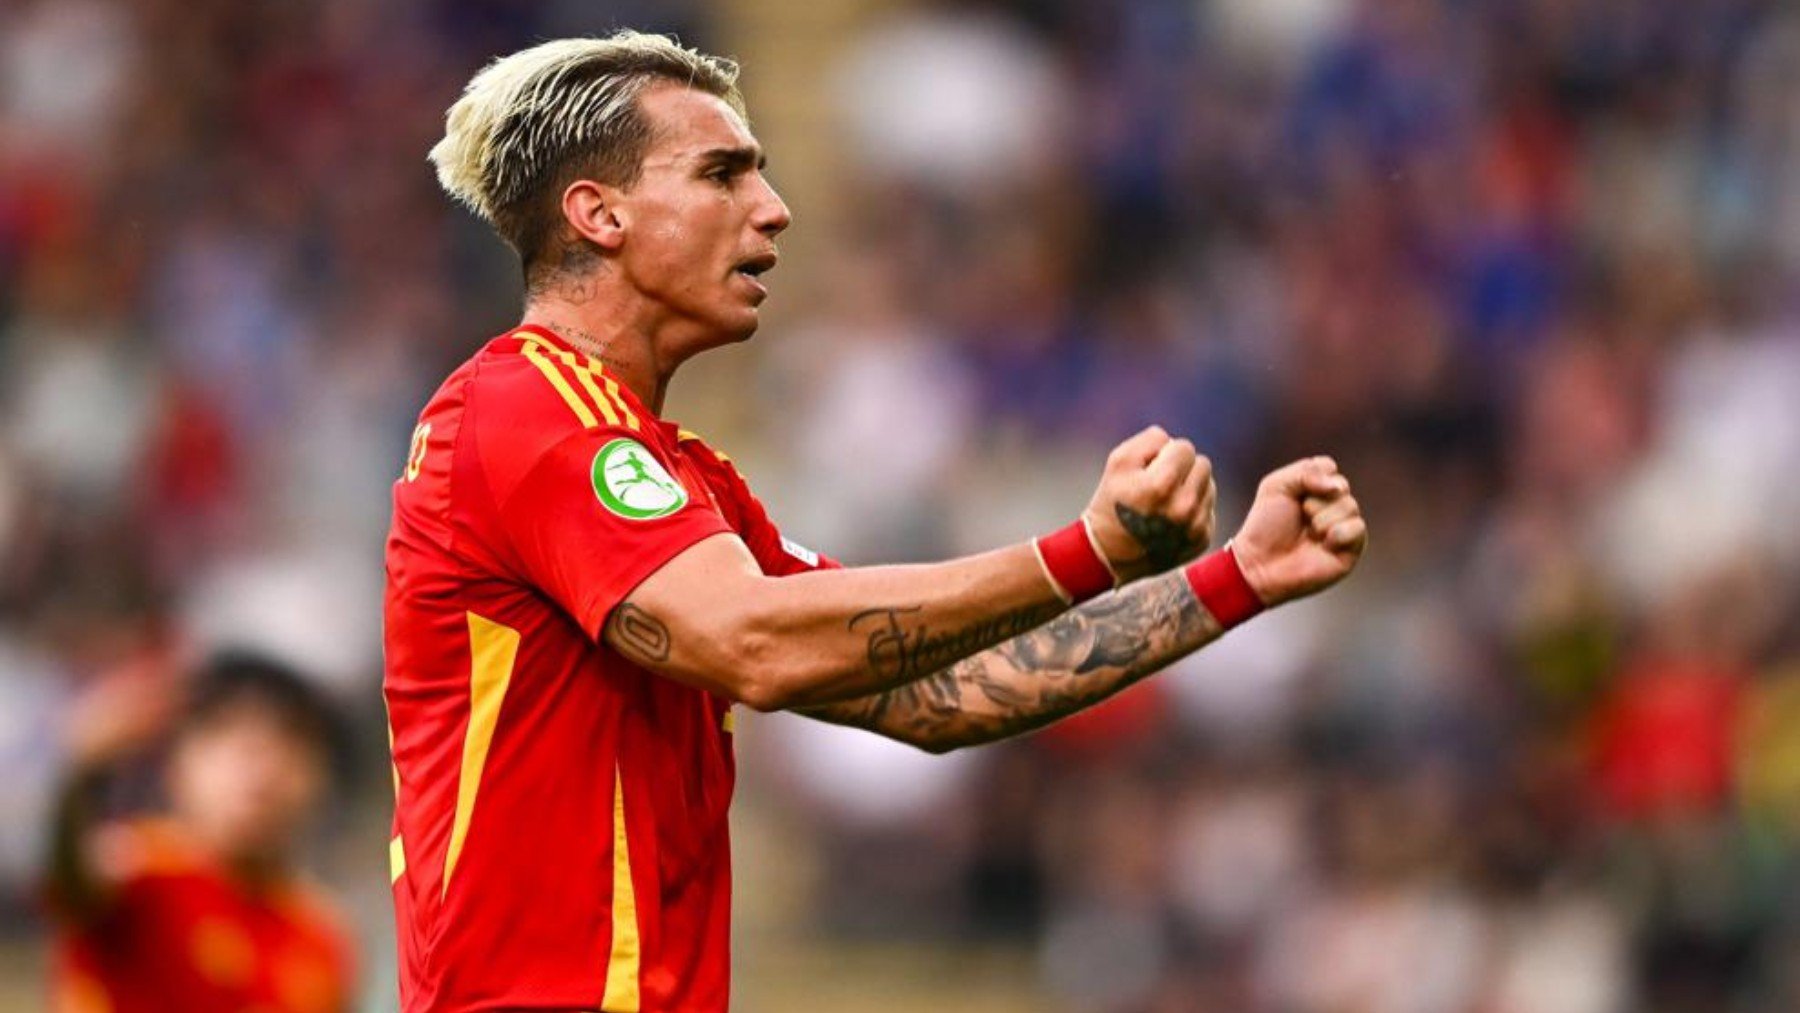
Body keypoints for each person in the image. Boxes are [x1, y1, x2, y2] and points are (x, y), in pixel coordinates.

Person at [385, 30, 1367, 1013]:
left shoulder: (696, 485)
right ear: (598, 214)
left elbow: (936, 695)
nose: (773, 209)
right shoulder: (523, 408)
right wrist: (1087, 549)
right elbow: (750, 642)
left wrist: (1235, 577)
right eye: (722, 173)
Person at [45, 650, 356, 1013]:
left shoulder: (324, 939)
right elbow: (65, 873)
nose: (259, 767)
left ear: (318, 776)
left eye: (286, 741)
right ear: (176, 761)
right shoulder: (136, 871)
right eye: (229, 736)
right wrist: (79, 774)